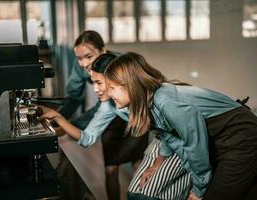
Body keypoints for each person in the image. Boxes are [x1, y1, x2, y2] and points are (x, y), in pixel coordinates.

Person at [103, 52, 257, 200]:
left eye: (112, 88)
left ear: (129, 86)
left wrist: (199, 190)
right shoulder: (153, 101)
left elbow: (195, 147)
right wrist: (157, 165)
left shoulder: (167, 102)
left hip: (241, 138)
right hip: (225, 141)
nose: (108, 94)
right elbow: (169, 135)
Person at [41, 53, 192, 200]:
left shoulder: (158, 98)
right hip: (166, 140)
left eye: (99, 83)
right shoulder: (108, 105)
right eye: (93, 82)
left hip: (183, 139)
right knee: (137, 192)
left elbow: (183, 133)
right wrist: (58, 117)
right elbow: (87, 138)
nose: (95, 89)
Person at [45, 32, 148, 200]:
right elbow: (73, 98)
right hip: (110, 117)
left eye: (88, 56)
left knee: (138, 164)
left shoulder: (119, 65)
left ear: (103, 51)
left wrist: (67, 124)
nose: (84, 63)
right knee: (110, 168)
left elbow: (105, 106)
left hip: (135, 116)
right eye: (79, 58)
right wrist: (59, 119)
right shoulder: (81, 69)